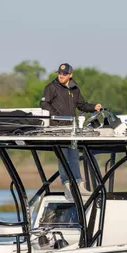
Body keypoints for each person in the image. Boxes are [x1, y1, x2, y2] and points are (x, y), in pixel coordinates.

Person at [39, 63, 102, 199]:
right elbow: (44, 104)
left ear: (70, 75)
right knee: (63, 158)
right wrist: (57, 116)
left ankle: (79, 185)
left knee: (73, 156)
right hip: (57, 129)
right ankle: (67, 186)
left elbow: (81, 105)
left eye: (64, 74)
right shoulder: (51, 87)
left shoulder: (74, 88)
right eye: (59, 73)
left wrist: (94, 107)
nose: (61, 76)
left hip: (72, 129)